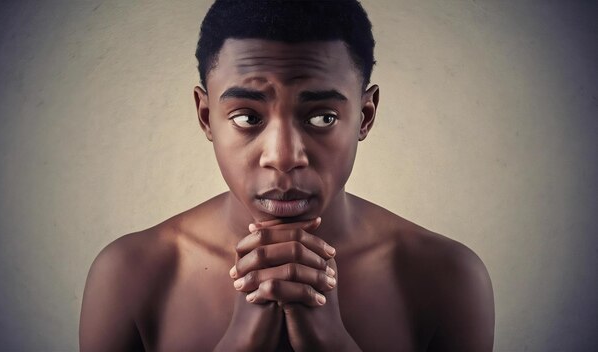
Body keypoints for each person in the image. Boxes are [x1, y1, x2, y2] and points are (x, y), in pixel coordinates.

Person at [79, 0, 495, 351]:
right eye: (246, 116)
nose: (282, 156)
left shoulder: (445, 279)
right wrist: (241, 342)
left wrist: (332, 343)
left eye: (322, 116)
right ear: (206, 117)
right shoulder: (131, 275)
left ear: (364, 116)